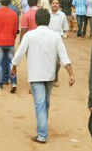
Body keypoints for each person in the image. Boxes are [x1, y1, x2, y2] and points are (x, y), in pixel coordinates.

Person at [11, 8, 75, 143]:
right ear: (49, 20)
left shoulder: (29, 35)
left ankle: (42, 134)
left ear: (36, 20)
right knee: (45, 102)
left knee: (40, 104)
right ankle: (43, 126)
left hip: (35, 75)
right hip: (50, 75)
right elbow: (64, 57)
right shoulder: (55, 36)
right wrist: (71, 74)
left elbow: (19, 53)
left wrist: (14, 67)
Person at [49, 0, 69, 87]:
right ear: (50, 4)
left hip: (58, 41)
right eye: (53, 3)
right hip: (47, 40)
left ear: (59, 5)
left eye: (57, 3)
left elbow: (65, 28)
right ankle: (47, 78)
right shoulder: (47, 14)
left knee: (57, 62)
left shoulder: (62, 15)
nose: (55, 5)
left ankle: (55, 78)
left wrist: (64, 35)